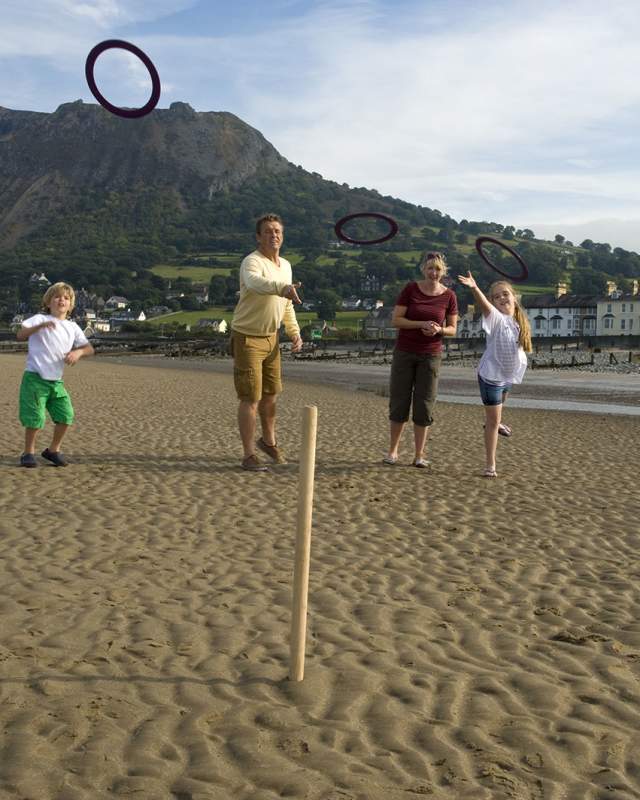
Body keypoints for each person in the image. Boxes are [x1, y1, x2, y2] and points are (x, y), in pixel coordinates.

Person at [231, 213, 303, 472]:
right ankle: (249, 455)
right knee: (250, 397)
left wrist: (294, 331)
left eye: (277, 231)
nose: (274, 235)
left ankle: (268, 441)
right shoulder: (251, 262)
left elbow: (286, 304)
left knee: (271, 395)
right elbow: (255, 284)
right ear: (258, 236)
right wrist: (282, 288)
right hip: (248, 336)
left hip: (272, 338)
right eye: (268, 231)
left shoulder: (285, 265)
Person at [384, 251, 458, 467]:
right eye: (430, 268)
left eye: (437, 269)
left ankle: (419, 455)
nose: (433, 272)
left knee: (424, 404)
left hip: (431, 354)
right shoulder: (410, 289)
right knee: (399, 401)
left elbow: (453, 329)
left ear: (443, 271)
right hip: (405, 352)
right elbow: (396, 320)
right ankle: (393, 452)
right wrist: (421, 324)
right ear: (423, 269)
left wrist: (439, 330)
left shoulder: (450, 296)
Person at [457, 271, 532, 477]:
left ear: (514, 296)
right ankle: (490, 465)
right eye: (496, 296)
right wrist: (474, 287)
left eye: (505, 294)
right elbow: (484, 305)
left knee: (498, 413)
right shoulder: (495, 318)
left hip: (509, 375)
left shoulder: (519, 321)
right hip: (491, 377)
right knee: (491, 422)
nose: (501, 298)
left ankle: (497, 422)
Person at [17, 282, 94, 467]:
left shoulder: (72, 327)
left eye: (66, 298)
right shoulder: (38, 319)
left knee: (66, 415)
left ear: (71, 304)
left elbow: (89, 348)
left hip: (56, 382)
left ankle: (52, 450)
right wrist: (39, 327)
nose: (62, 300)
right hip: (35, 378)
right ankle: (28, 453)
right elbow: (21, 334)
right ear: (49, 301)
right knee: (35, 419)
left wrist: (78, 352)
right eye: (57, 297)